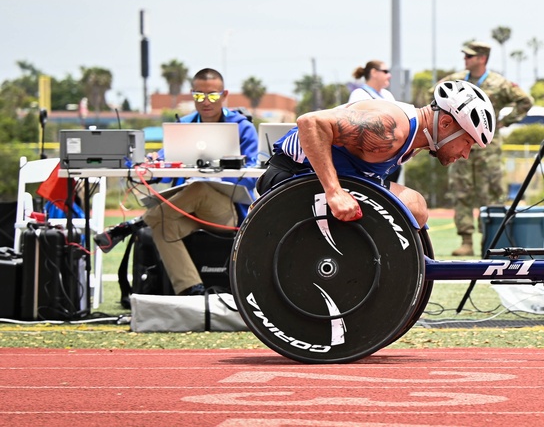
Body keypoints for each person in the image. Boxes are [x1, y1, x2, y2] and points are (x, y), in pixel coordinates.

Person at [95, 68, 259, 296]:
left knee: (200, 186)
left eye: (212, 95)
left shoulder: (243, 127)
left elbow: (252, 176)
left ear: (224, 95)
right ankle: (191, 290)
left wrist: (216, 174)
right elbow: (165, 164)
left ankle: (132, 226)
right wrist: (153, 162)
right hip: (186, 211)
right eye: (198, 95)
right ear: (192, 94)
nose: (205, 101)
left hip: (226, 213)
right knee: (163, 226)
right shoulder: (183, 125)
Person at [257, 79, 496, 228]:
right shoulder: (388, 127)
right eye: (467, 142)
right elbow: (310, 122)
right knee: (413, 207)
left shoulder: (415, 139)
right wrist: (334, 192)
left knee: (415, 206)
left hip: (334, 179)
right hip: (290, 178)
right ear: (444, 124)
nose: (465, 154)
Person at [441, 41, 533, 256]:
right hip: (458, 144)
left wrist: (502, 122)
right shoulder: (455, 81)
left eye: (470, 56)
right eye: (465, 56)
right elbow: (434, 94)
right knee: (460, 191)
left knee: (490, 193)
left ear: (482, 58)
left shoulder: (499, 83)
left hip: (487, 148)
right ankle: (466, 241)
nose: (465, 59)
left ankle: (489, 239)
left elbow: (525, 101)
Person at [346, 59, 400, 184]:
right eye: (385, 71)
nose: (389, 75)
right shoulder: (359, 94)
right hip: (371, 157)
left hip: (389, 156)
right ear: (374, 72)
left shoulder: (387, 95)